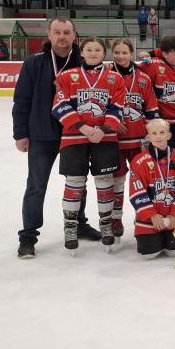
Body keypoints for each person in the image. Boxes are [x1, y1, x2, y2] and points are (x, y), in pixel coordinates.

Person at [14, 18, 98, 259]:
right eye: (57, 32)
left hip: (75, 133)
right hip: (41, 135)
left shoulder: (83, 62)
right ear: (49, 35)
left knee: (78, 183)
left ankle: (79, 224)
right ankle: (28, 237)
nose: (62, 36)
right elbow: (21, 100)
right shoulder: (33, 63)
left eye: (67, 32)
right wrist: (20, 134)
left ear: (74, 36)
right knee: (36, 185)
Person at [51, 36, 126, 254]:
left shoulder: (114, 78)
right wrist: (83, 127)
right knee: (75, 181)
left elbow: (118, 107)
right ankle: (70, 227)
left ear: (104, 53)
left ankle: (106, 224)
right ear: (82, 52)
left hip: (105, 138)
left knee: (105, 180)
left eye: (98, 50)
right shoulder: (67, 76)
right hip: (74, 137)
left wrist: (103, 129)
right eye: (89, 49)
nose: (93, 53)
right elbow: (59, 105)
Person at [111, 38, 160, 240]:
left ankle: (145, 215)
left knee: (146, 180)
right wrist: (112, 122)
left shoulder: (143, 78)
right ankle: (115, 218)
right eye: (117, 52)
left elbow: (151, 107)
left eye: (125, 52)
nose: (121, 56)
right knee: (117, 180)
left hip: (140, 140)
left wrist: (150, 132)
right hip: (114, 140)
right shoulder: (105, 74)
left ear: (131, 53)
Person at [128, 119, 175, 259]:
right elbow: (136, 192)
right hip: (151, 219)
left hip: (174, 217)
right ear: (148, 137)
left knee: (174, 252)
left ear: (169, 135)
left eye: (162, 132)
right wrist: (152, 215)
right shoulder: (139, 161)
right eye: (154, 133)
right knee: (149, 254)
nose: (158, 136)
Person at [139, 36, 175, 151]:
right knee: (163, 155)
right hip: (162, 123)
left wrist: (153, 52)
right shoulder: (154, 64)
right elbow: (131, 70)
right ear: (165, 54)